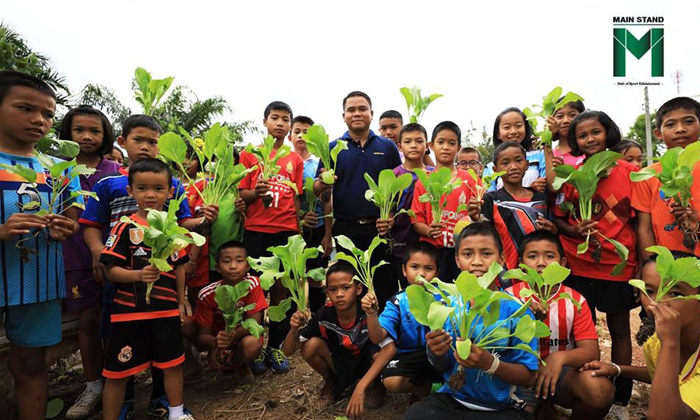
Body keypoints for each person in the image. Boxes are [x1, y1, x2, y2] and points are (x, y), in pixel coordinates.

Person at [80, 114, 216, 419]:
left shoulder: (174, 185)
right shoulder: (110, 185)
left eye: (152, 142)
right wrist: (99, 252)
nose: (145, 146)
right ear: (122, 142)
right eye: (138, 140)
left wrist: (203, 218)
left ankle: (162, 401)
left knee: (166, 351)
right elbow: (90, 223)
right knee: (118, 346)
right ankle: (123, 404)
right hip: (121, 282)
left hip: (163, 295)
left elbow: (184, 224)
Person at [0, 70, 82, 420]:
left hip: (37, 281)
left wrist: (67, 227)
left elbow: (73, 216)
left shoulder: (61, 169)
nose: (40, 120)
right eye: (25, 108)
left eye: (48, 113)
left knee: (33, 365)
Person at [402, 223, 539, 419]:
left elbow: (528, 377)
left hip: (501, 407)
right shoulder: (447, 305)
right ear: (457, 260)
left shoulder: (515, 310)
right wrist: (435, 353)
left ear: (501, 259)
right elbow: (443, 366)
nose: (476, 262)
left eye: (486, 254)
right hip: (454, 399)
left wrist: (489, 363)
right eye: (467, 254)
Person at [552, 110, 637, 419]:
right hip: (578, 262)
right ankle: (580, 388)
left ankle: (620, 399)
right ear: (574, 141)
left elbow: (639, 220)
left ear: (608, 132)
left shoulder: (627, 171)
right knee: (578, 333)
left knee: (619, 330)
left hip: (617, 262)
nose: (589, 139)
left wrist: (641, 262)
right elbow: (559, 217)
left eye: (595, 132)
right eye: (582, 136)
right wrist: (576, 231)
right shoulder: (571, 174)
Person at [99, 159, 192, 420]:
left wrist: (180, 303)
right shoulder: (124, 226)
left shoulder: (172, 230)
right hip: (129, 314)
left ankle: (176, 414)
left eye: (158, 188)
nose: (150, 195)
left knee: (173, 365)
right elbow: (110, 271)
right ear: (131, 192)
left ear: (170, 192)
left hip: (165, 313)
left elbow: (180, 267)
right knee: (117, 372)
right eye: (142, 188)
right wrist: (139, 275)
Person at [506, 231, 614, 419]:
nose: (541, 263)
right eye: (532, 256)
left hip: (559, 375)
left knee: (600, 389)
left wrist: (558, 359)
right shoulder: (509, 297)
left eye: (549, 256)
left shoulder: (575, 300)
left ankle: (550, 406)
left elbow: (591, 352)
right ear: (521, 265)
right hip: (518, 374)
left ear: (563, 263)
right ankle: (537, 407)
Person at [582, 251, 700, 420]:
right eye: (650, 291)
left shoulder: (667, 340)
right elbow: (665, 374)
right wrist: (617, 369)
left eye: (675, 294)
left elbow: (662, 416)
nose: (656, 303)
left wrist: (670, 343)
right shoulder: (656, 342)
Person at [59, 106, 122, 419]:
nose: (86, 136)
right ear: (67, 133)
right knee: (87, 319)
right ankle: (93, 384)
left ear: (105, 135)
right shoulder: (58, 169)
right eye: (79, 130)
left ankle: (117, 378)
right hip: (76, 255)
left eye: (94, 131)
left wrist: (105, 252)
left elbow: (120, 214)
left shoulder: (114, 170)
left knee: (115, 317)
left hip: (113, 254)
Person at [314, 91, 402, 309]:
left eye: (362, 109)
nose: (357, 113)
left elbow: (397, 187)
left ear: (371, 114)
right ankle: (354, 335)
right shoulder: (333, 148)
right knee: (349, 285)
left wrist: (390, 215)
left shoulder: (387, 147)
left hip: (380, 228)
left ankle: (384, 333)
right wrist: (323, 185)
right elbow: (319, 190)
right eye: (351, 110)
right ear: (343, 115)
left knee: (384, 283)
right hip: (346, 229)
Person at [240, 100, 303, 374]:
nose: (279, 123)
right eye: (274, 118)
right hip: (256, 231)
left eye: (285, 119)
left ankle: (275, 347)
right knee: (255, 292)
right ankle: (254, 348)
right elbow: (241, 193)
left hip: (286, 233)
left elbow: (296, 197)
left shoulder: (295, 159)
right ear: (264, 122)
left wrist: (298, 231)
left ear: (290, 126)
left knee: (282, 291)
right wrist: (257, 192)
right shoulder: (250, 155)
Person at [282, 261, 392, 418]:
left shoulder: (367, 311)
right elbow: (288, 351)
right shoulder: (323, 315)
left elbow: (389, 348)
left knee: (377, 353)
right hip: (341, 360)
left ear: (358, 289)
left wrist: (361, 386)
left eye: (346, 288)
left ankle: (376, 385)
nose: (339, 294)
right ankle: (333, 383)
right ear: (327, 292)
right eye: (333, 289)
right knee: (310, 345)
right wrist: (293, 328)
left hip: (367, 360)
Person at [362, 241, 442, 404]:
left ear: (437, 272)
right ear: (404, 270)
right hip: (409, 356)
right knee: (392, 382)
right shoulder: (397, 302)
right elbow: (377, 338)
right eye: (414, 267)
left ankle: (441, 390)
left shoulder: (446, 299)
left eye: (428, 268)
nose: (421, 274)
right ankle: (420, 389)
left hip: (440, 354)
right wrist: (371, 314)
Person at [183, 241, 266, 384]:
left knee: (252, 343)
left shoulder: (253, 284)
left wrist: (231, 336)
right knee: (184, 324)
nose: (233, 266)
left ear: (247, 266)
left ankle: (237, 362)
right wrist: (215, 344)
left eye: (239, 261)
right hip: (216, 337)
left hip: (240, 336)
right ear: (218, 268)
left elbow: (254, 322)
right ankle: (190, 367)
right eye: (226, 261)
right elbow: (203, 335)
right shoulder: (207, 294)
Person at [632, 97, 700, 259]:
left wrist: (696, 224)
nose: (680, 129)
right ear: (658, 133)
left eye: (689, 122)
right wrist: (650, 264)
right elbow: (645, 229)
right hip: (667, 262)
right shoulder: (647, 175)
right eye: (670, 124)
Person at [411, 121, 478, 282]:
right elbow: (416, 220)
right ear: (431, 146)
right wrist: (428, 231)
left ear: (459, 148)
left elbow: (477, 215)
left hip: (461, 251)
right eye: (441, 142)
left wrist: (476, 215)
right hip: (432, 253)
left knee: (462, 296)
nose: (446, 147)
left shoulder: (468, 179)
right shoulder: (423, 181)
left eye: (451, 143)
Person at [473, 142, 556, 269]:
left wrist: (553, 230)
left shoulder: (541, 197)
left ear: (527, 164)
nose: (513, 167)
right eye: (505, 163)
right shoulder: (491, 199)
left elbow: (552, 232)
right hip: (504, 272)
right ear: (495, 170)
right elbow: (484, 236)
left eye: (518, 160)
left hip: (539, 270)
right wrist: (475, 218)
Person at [378, 123, 434, 288]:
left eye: (419, 141)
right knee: (406, 287)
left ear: (427, 145)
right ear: (400, 146)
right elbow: (389, 209)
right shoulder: (393, 175)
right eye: (408, 142)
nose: (414, 145)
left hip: (429, 242)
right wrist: (388, 221)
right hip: (400, 243)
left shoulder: (434, 174)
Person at [290, 115, 331, 312]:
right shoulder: (285, 162)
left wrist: (327, 234)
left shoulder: (318, 164)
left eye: (306, 132)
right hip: (293, 229)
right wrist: (300, 218)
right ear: (290, 136)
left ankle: (317, 319)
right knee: (292, 277)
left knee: (316, 277)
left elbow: (327, 198)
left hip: (318, 227)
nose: (301, 136)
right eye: (297, 131)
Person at [483, 107, 547, 192]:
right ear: (498, 133)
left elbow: (549, 184)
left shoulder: (540, 156)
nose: (513, 131)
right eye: (507, 127)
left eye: (518, 126)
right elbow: (489, 198)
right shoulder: (490, 168)